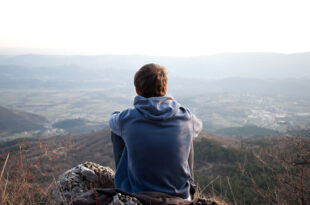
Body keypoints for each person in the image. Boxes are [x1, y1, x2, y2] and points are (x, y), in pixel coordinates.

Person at [109, 63, 202, 200]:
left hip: (138, 194)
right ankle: (191, 186)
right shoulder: (186, 117)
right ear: (165, 88)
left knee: (117, 132)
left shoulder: (127, 119)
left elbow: (112, 121)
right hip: (180, 196)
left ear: (137, 90)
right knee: (188, 132)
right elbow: (199, 126)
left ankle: (122, 186)